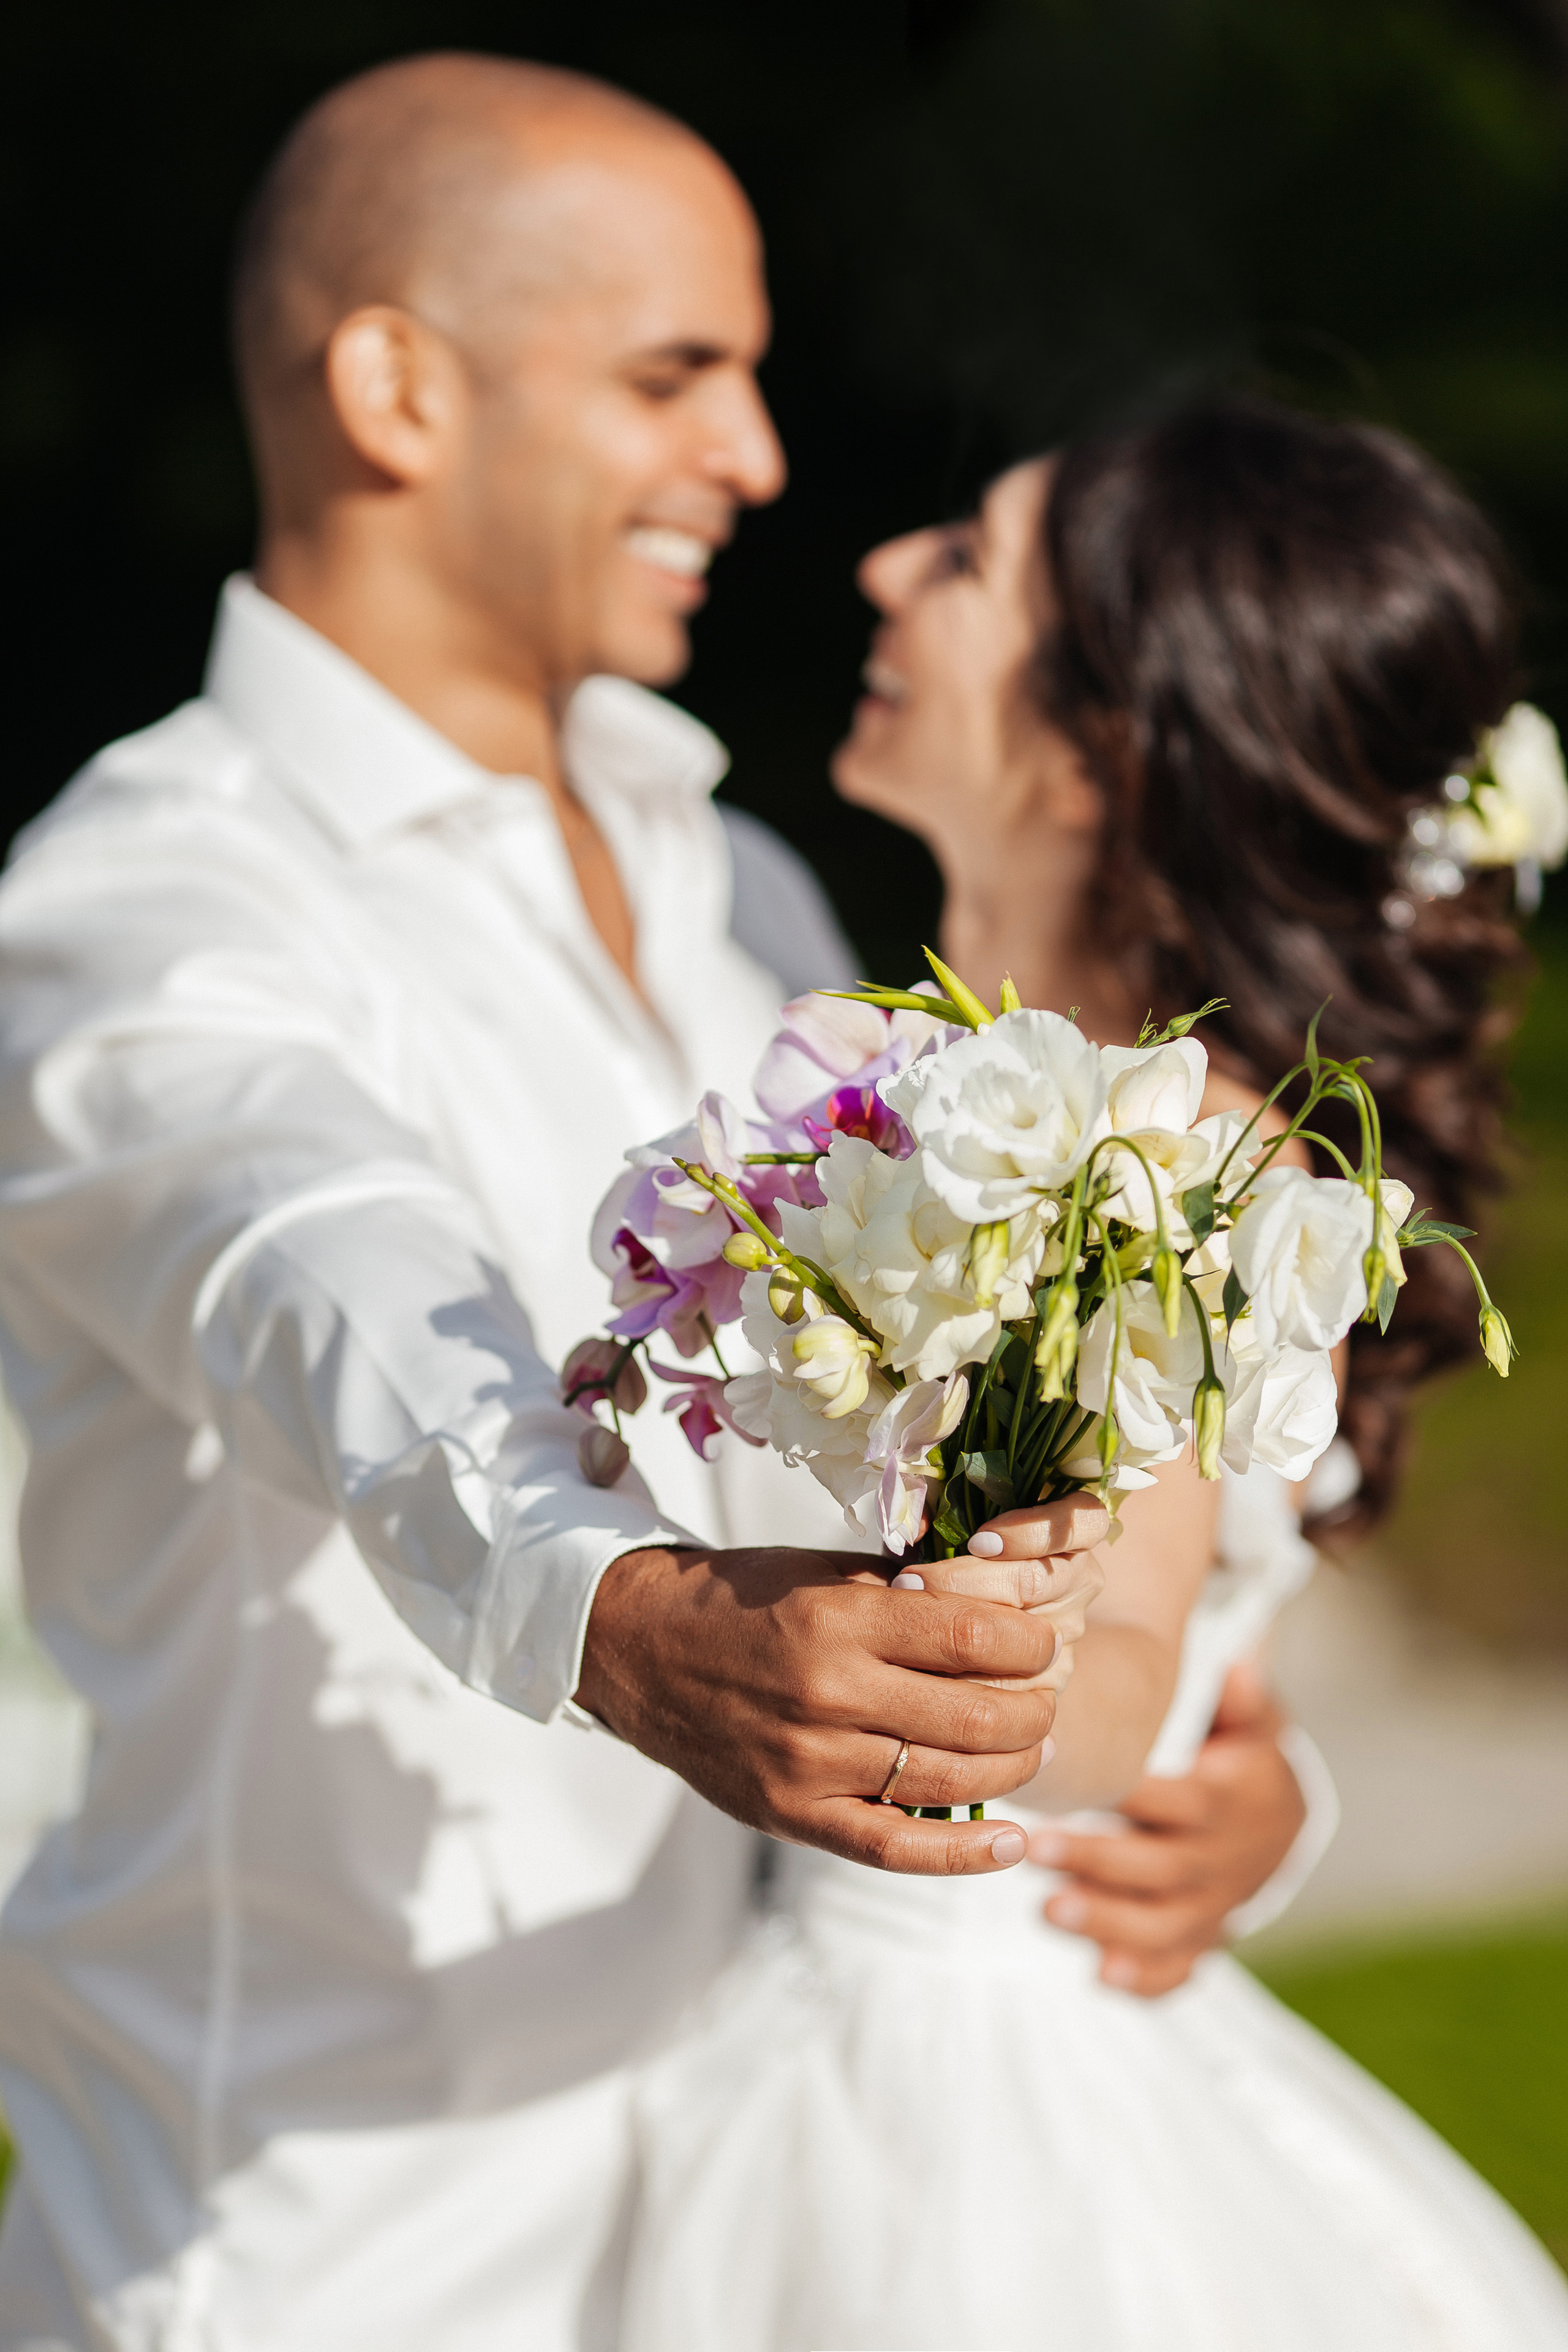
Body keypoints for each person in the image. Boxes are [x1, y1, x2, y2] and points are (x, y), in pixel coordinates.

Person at [0, 55, 1093, 2352]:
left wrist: (1211, 1755)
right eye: (674, 375)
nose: (760, 460)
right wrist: (609, 1601)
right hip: (318, 2248)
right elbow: (313, 1263)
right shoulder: (138, 900)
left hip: (764, 2212)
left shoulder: (747, 878)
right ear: (394, 386)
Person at [619, 398, 1568, 2350]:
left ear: (1106, 748)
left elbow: (1133, 1668)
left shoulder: (1187, 1162)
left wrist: (1004, 1683)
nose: (884, 569)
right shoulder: (860, 1045)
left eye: (969, 562)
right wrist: (1257, 1780)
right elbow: (1227, 1661)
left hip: (950, 2088)